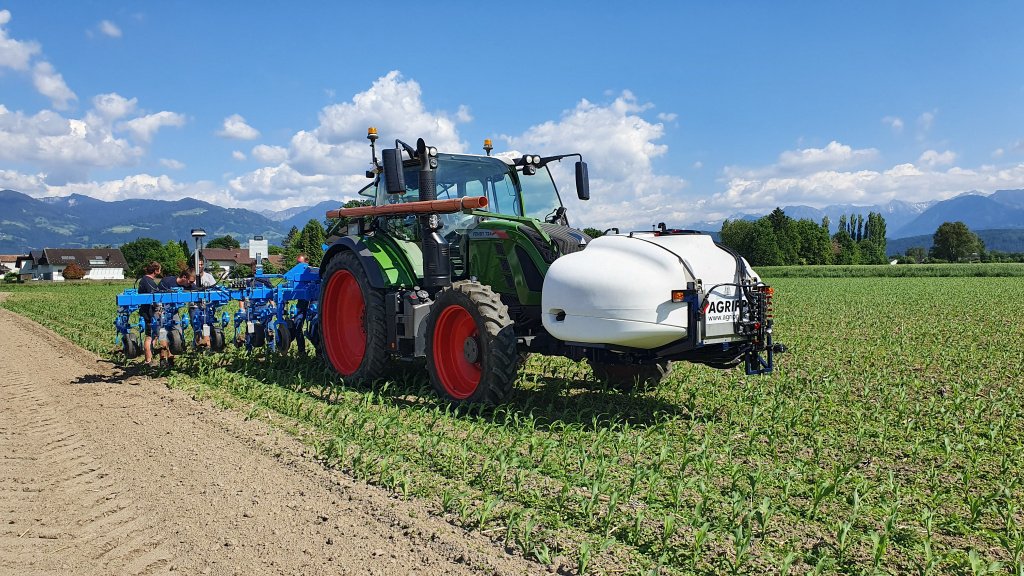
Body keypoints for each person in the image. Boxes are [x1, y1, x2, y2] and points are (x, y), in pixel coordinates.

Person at [137, 261, 162, 367]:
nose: (160, 272)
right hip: (149, 313)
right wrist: (159, 310)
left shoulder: (144, 280)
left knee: (154, 336)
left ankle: (150, 356)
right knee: (149, 336)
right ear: (156, 271)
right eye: (159, 269)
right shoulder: (148, 282)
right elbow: (154, 298)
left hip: (147, 311)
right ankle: (148, 360)